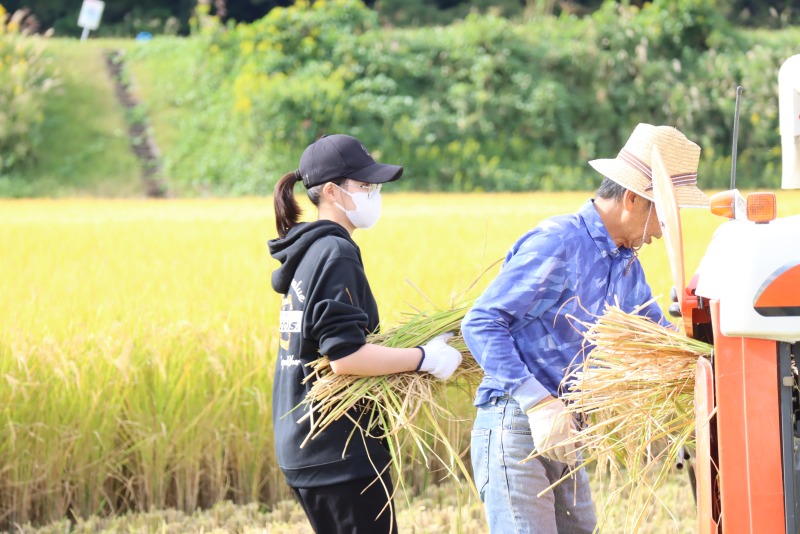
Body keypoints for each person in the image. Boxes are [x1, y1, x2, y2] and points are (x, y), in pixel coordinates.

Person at [461, 123, 709, 533]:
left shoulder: (624, 260)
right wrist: (538, 403)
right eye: (663, 215)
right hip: (517, 424)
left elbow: (655, 332)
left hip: (567, 429)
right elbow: (482, 322)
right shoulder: (558, 242)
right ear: (632, 199)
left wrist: (702, 349)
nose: (663, 231)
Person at [268, 134, 463, 534]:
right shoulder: (336, 253)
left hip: (307, 444)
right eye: (365, 186)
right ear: (332, 192)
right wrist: (425, 358)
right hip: (336, 450)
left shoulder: (308, 251)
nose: (374, 194)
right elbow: (346, 358)